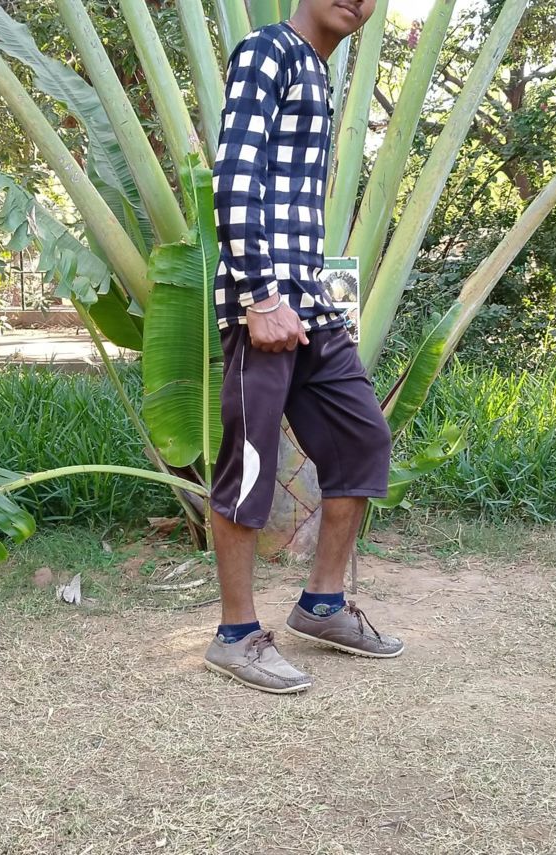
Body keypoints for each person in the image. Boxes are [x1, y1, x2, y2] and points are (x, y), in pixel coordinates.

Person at [205, 0, 403, 694]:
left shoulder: (316, 72)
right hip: (265, 304)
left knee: (361, 439)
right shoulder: (268, 51)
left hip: (310, 304)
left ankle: (321, 605)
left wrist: (306, 298)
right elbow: (234, 178)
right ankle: (235, 635)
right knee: (251, 466)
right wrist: (260, 297)